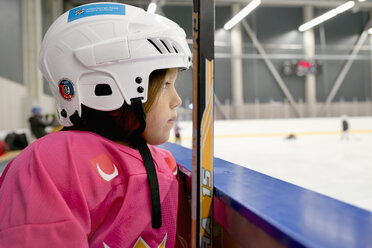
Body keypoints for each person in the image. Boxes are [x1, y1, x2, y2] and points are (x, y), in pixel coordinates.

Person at [0, 2, 191, 247]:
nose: (177, 100)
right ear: (113, 84)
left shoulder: (162, 162)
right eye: (166, 85)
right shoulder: (52, 164)